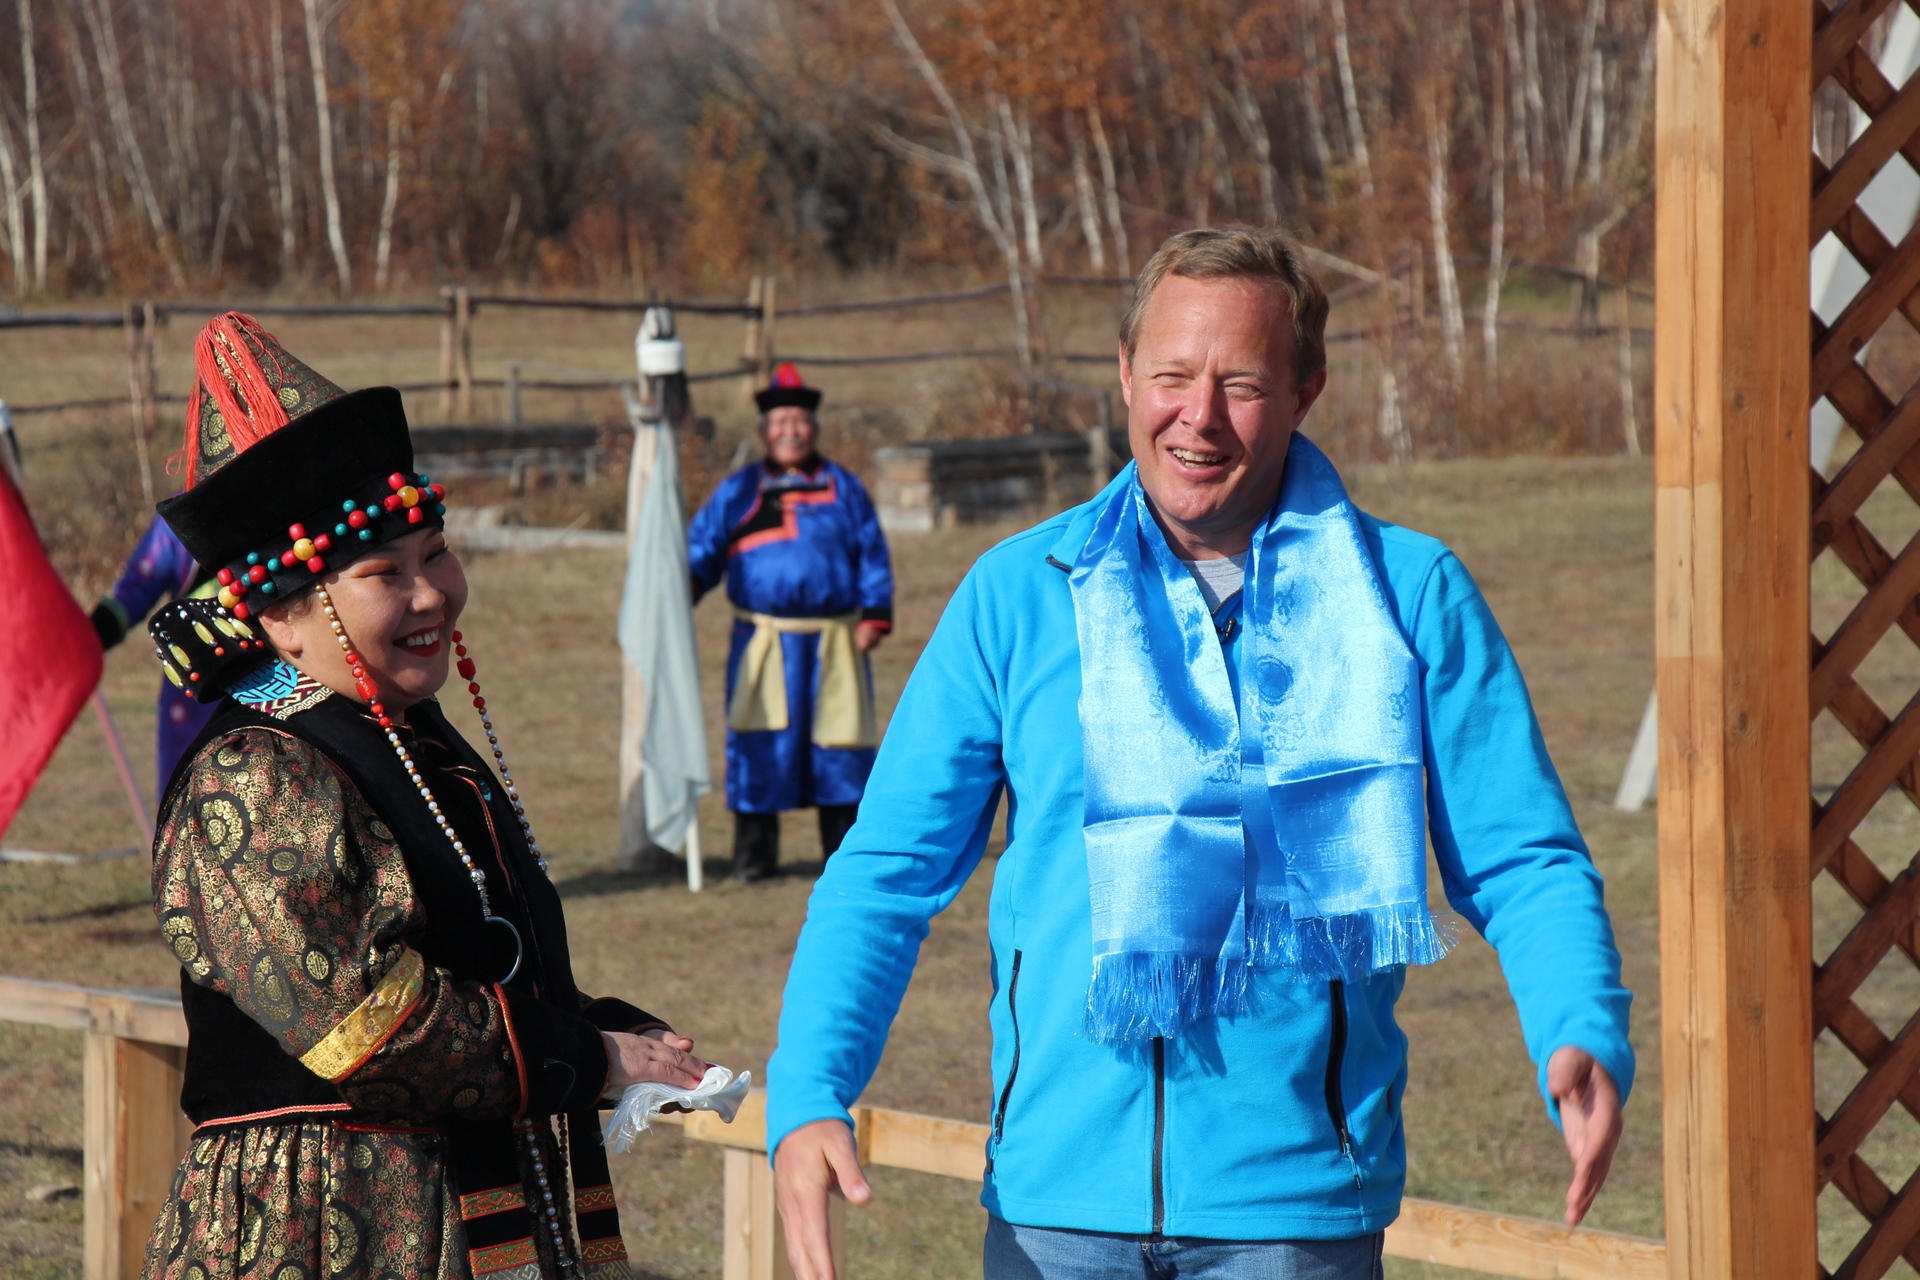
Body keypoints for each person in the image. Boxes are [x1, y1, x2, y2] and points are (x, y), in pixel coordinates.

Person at [765, 228, 1633, 1280]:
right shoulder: (1017, 592)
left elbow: (1522, 856)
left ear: (1308, 388)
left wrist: (1578, 1019)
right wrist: (810, 1087)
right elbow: (886, 868)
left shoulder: (1411, 594)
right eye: (1171, 374)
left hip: (1296, 1214)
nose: (1199, 415)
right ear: (1126, 373)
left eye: (1244, 383)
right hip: (1053, 1208)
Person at [140, 312, 707, 1280]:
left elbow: (476, 954)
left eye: (435, 553)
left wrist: (603, 1025)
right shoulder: (255, 776)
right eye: (383, 572)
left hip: (477, 1208)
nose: (433, 593)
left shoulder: (412, 738)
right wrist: (582, 1054)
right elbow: (374, 1023)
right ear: (281, 613)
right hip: (325, 1227)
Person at [686, 363, 893, 882]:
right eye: (780, 422)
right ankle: (755, 861)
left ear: (814, 427)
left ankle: (843, 860)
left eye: (799, 421)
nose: (790, 431)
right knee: (759, 747)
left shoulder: (844, 487)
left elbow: (872, 553)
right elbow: (702, 550)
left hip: (835, 642)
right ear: (763, 431)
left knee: (839, 751)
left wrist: (874, 613)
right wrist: (678, 594)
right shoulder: (738, 492)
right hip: (763, 642)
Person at [90, 515, 220, 800]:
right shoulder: (179, 515)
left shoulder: (277, 495)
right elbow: (139, 584)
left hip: (275, 680)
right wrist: (93, 633)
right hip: (193, 686)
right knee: (187, 803)